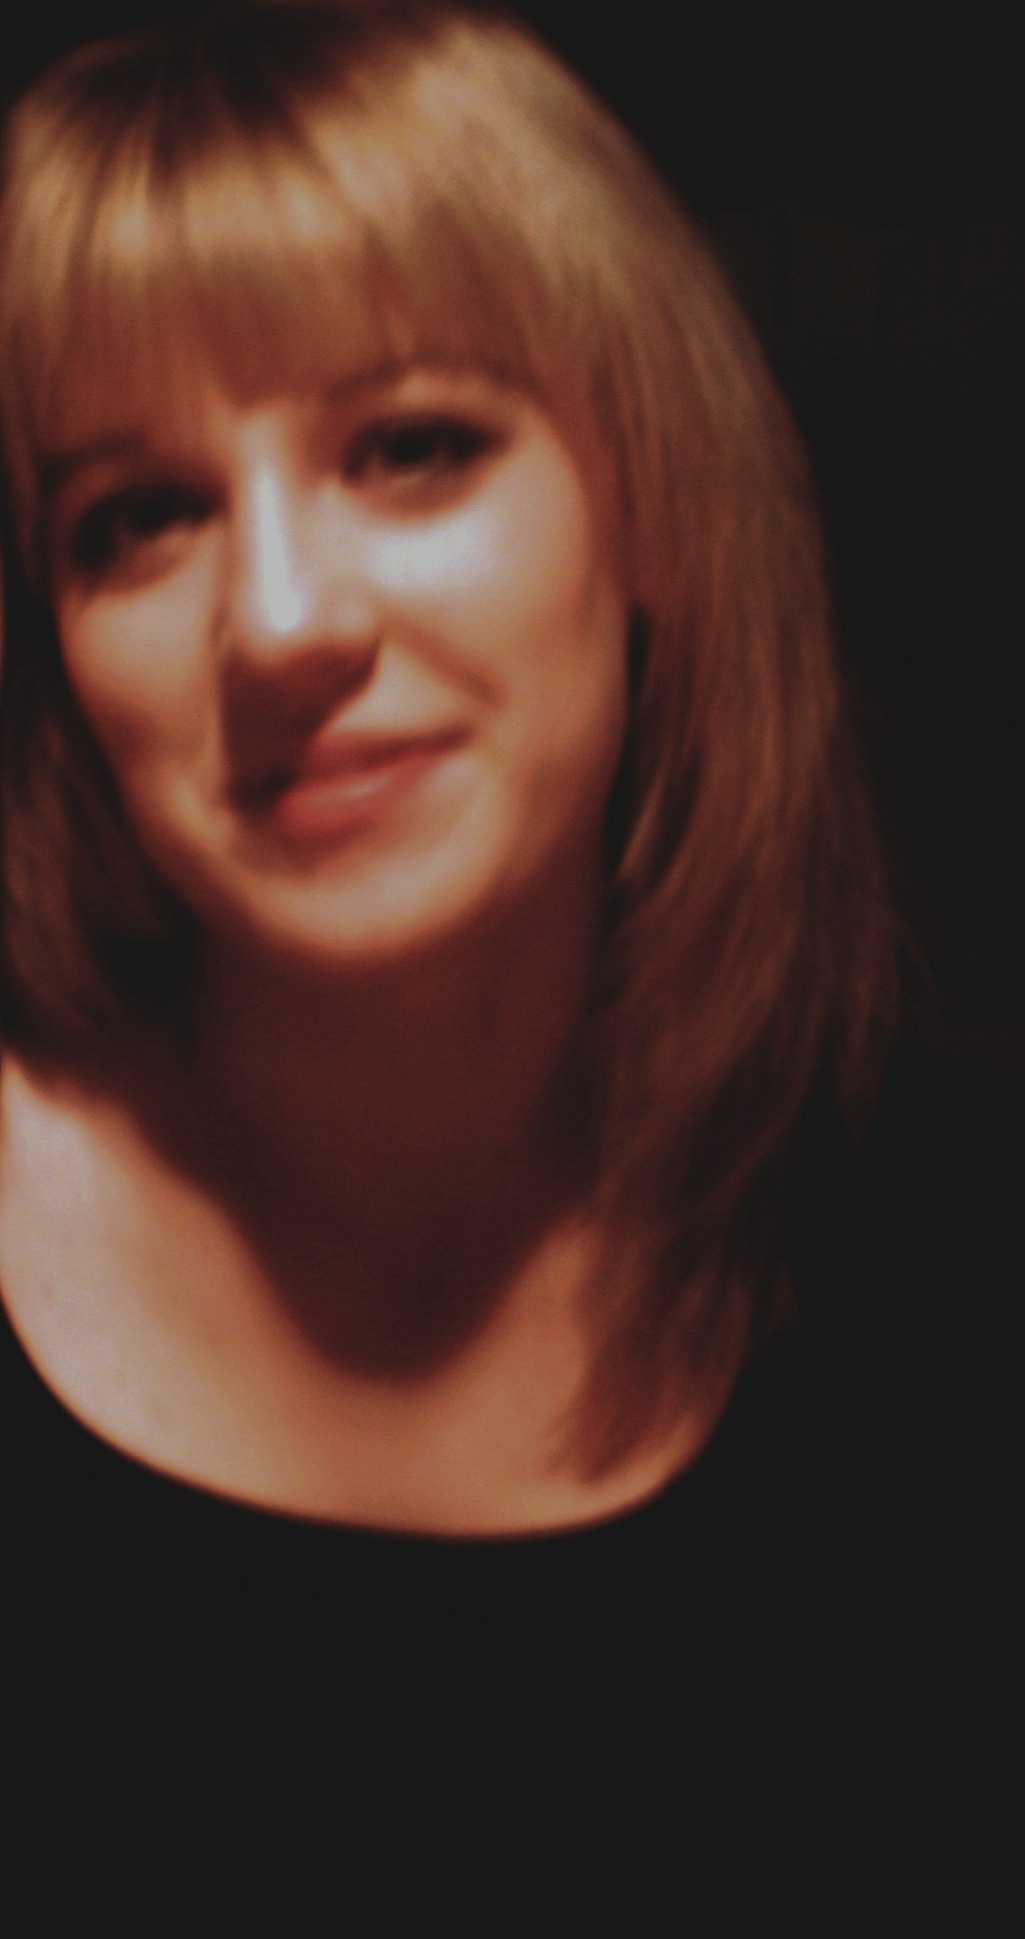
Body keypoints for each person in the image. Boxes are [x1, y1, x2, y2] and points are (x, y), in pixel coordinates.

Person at [0, 0, 1012, 1903]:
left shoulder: (957, 1274)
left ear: (654, 513)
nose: (277, 623)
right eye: (136, 519)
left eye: (411, 447)